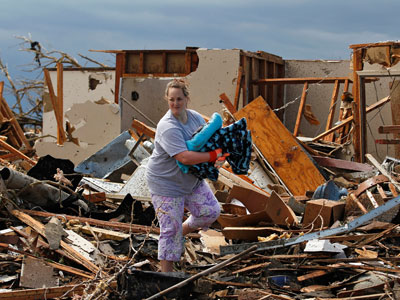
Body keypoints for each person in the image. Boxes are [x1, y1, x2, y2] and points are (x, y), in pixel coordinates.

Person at [145, 79, 227, 272]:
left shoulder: (196, 118)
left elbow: (209, 140)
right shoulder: (168, 126)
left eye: (179, 99)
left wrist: (219, 155)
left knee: (210, 211)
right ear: (167, 99)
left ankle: (180, 232)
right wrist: (212, 155)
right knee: (169, 230)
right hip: (166, 184)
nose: (175, 103)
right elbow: (184, 157)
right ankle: (166, 276)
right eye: (171, 99)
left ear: (187, 99)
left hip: (191, 180)